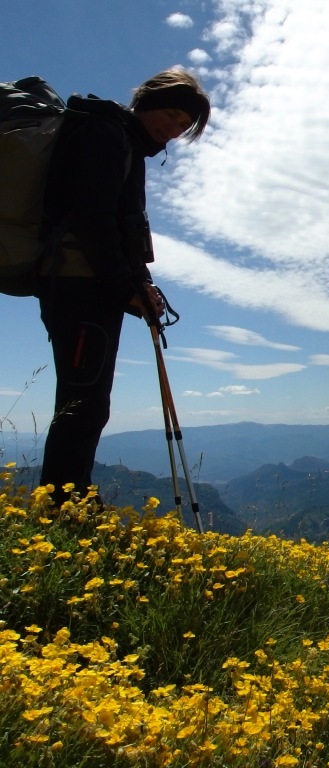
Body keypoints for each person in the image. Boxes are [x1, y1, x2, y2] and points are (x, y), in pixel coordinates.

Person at [36, 69, 210, 506]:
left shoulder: (123, 141)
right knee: (84, 403)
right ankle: (64, 509)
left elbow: (120, 228)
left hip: (87, 285)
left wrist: (142, 284)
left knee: (88, 399)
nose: (171, 130)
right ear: (146, 100)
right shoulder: (108, 135)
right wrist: (123, 286)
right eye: (169, 115)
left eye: (181, 126)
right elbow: (94, 220)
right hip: (80, 287)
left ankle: (68, 504)